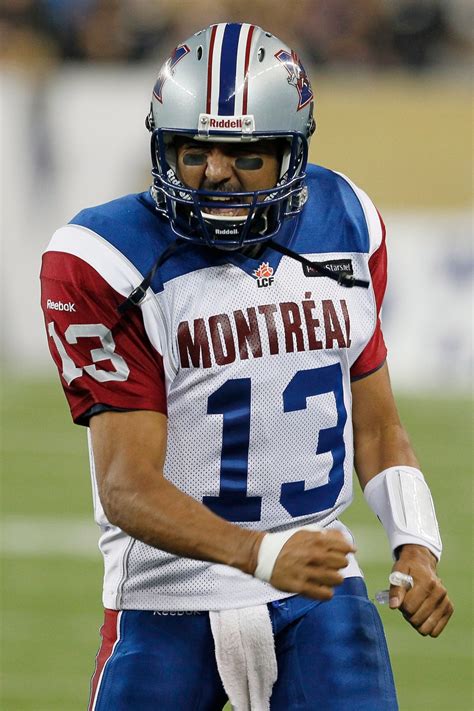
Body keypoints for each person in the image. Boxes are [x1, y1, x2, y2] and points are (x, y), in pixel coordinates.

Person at [40, 22, 453, 711]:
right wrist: (263, 555)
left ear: (291, 154)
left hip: (317, 585)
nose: (216, 174)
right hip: (168, 592)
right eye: (193, 151)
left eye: (243, 155)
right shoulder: (104, 257)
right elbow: (127, 485)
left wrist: (416, 542)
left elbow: (378, 429)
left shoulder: (346, 221)